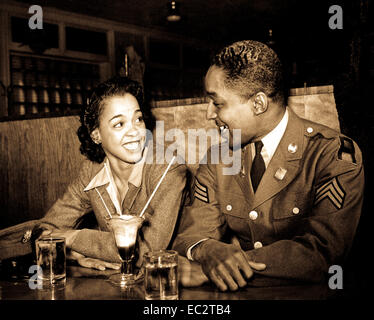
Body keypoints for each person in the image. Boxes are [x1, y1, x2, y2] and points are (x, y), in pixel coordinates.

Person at [173, 40, 364, 291]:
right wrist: (207, 249)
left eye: (217, 103)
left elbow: (323, 253)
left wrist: (222, 267)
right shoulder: (218, 157)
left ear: (259, 104)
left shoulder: (331, 153)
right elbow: (190, 236)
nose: (209, 113)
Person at [34, 76, 187, 270]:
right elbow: (44, 230)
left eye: (138, 119)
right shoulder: (91, 171)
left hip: (166, 286)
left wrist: (73, 237)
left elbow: (145, 253)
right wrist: (74, 254)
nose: (135, 132)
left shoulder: (168, 168)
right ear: (96, 135)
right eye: (119, 124)